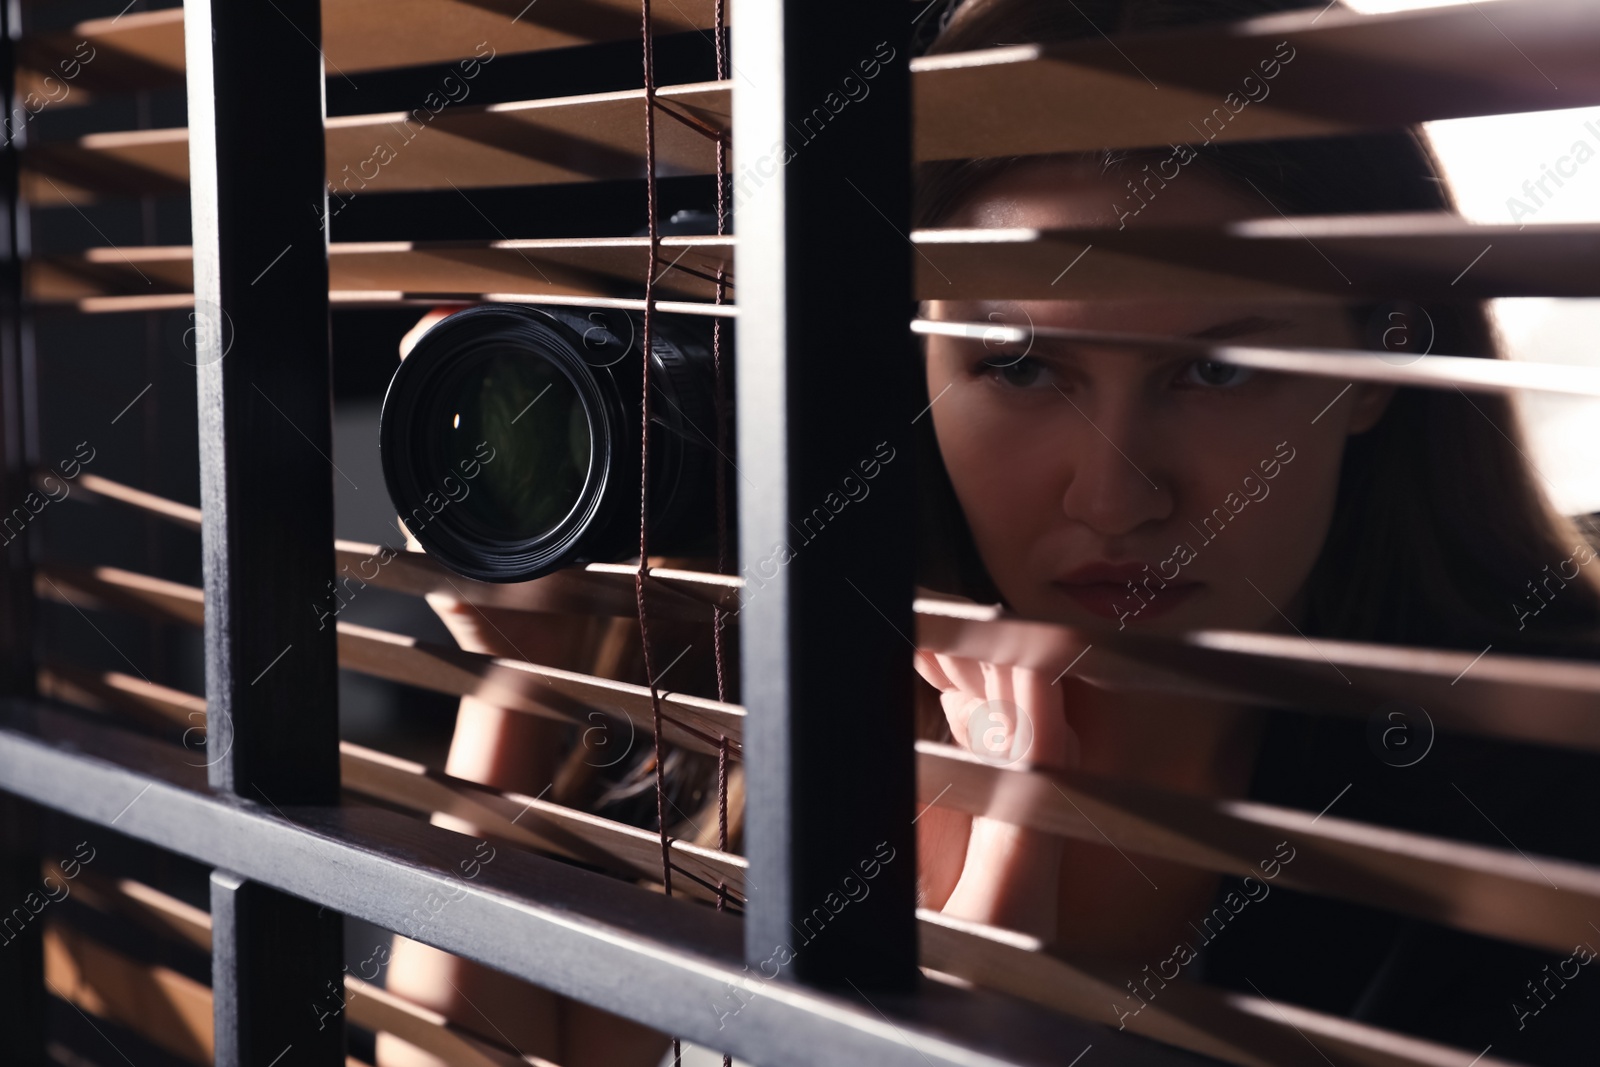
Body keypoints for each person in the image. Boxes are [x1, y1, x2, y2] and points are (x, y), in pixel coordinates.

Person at [380, 0, 1600, 1064]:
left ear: (1380, 357)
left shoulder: (1533, 809)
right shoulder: (785, 701)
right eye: (1018, 366)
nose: (1116, 499)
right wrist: (523, 671)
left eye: (1218, 372)